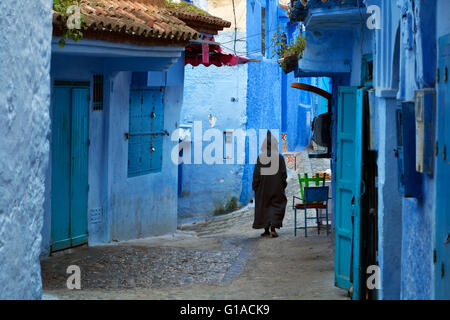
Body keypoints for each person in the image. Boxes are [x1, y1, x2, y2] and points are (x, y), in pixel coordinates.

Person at [252, 131, 288, 238]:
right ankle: (273, 228)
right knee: (276, 206)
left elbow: (256, 174)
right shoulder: (280, 158)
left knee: (264, 207)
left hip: (263, 189)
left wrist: (255, 186)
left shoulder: (261, 158)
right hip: (277, 188)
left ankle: (266, 230)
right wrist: (282, 185)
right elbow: (283, 174)